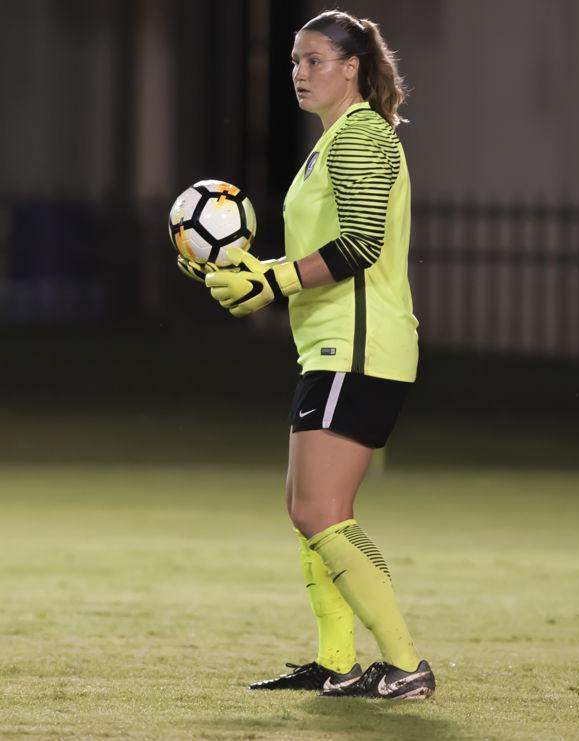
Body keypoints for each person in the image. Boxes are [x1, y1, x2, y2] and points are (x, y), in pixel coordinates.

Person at [200, 9, 434, 700]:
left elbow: (358, 246)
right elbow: (323, 249)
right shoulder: (333, 142)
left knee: (322, 510)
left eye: (314, 61)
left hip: (359, 346)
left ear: (351, 67)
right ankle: (339, 663)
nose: (299, 73)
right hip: (332, 345)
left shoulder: (362, 135)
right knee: (307, 508)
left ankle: (405, 664)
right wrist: (252, 274)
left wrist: (270, 279)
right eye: (295, 62)